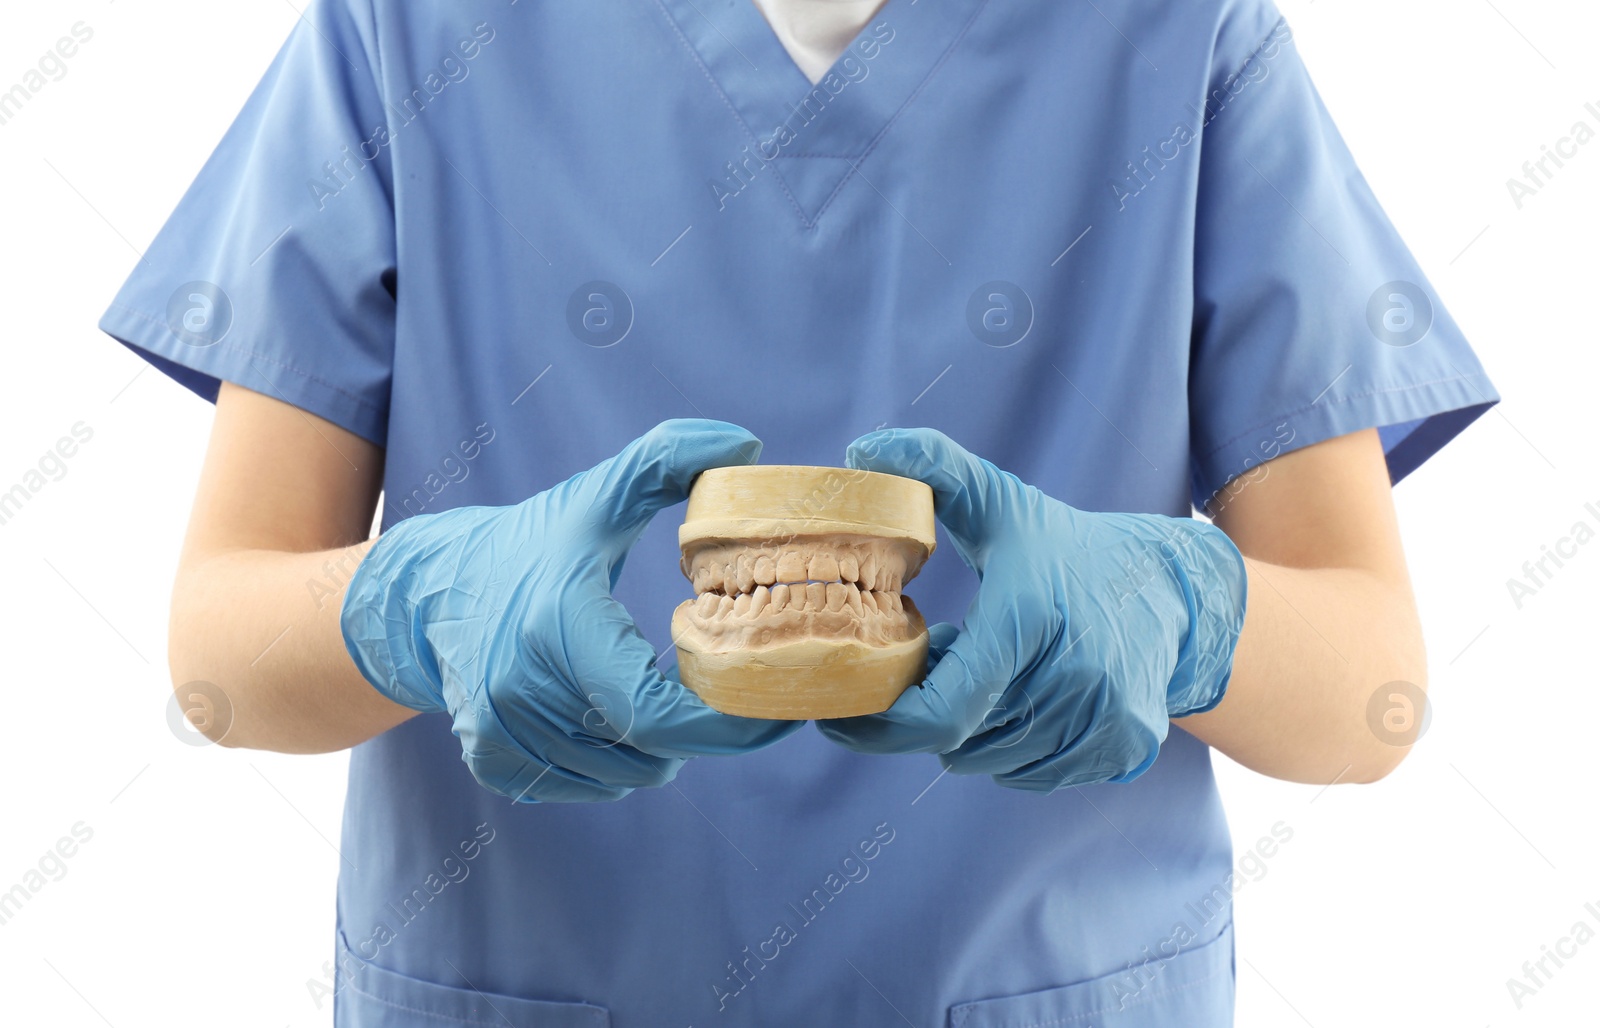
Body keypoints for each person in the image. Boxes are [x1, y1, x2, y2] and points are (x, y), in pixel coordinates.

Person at [99, 0, 1497, 1024]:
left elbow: (1372, 687)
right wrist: (415, 608)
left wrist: (1180, 615)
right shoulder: (406, 30)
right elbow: (218, 661)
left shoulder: (1179, 38)